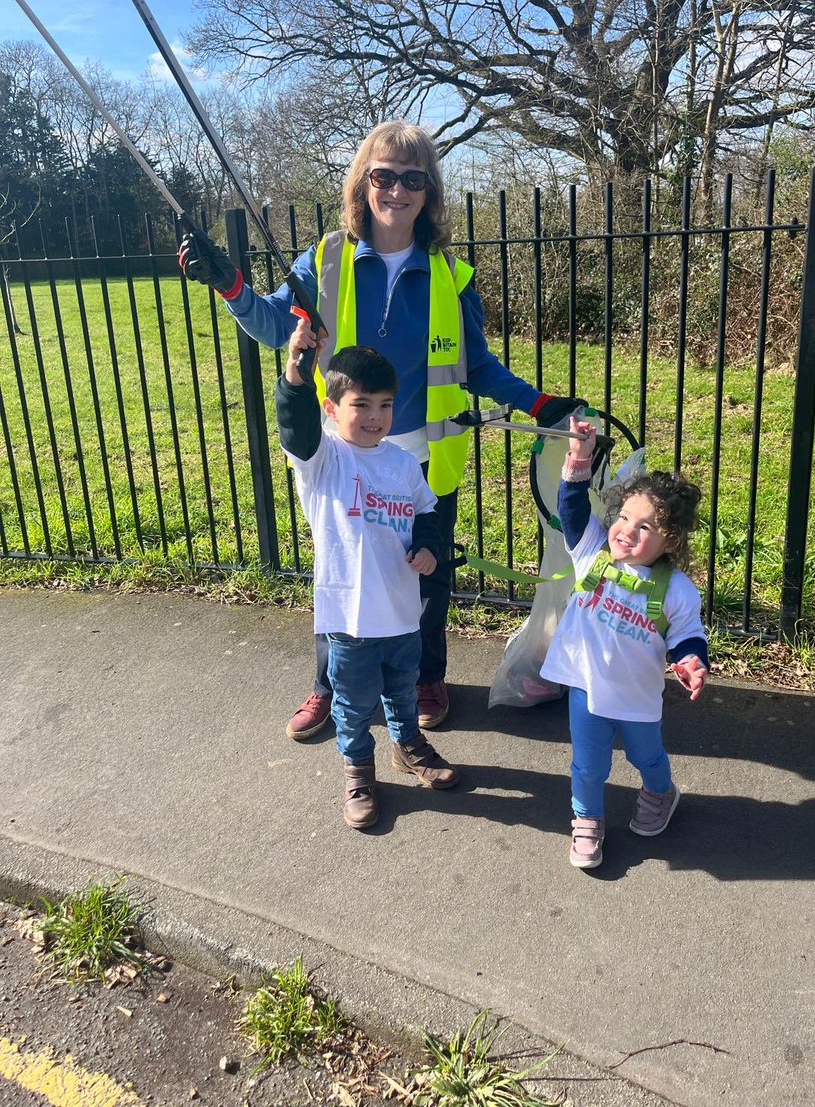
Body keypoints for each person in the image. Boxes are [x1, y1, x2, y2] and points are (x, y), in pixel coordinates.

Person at [179, 120, 585, 738]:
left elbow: (475, 365)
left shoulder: (453, 274)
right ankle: (331, 685)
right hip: (343, 458)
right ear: (364, 183)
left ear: (429, 192)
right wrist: (229, 284)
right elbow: (274, 326)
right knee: (341, 573)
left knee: (425, 572)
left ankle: (425, 676)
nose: (397, 190)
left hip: (424, 459)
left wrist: (540, 402)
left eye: (413, 179)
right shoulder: (325, 258)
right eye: (384, 176)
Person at [276, 338, 460, 828]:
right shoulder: (323, 460)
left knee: (402, 690)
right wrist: (297, 369)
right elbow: (293, 425)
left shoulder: (401, 460)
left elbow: (427, 510)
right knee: (354, 705)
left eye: (385, 405)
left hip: (401, 612)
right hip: (350, 617)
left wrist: (427, 546)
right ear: (332, 408)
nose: (375, 416)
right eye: (361, 405)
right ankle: (358, 768)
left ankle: (408, 747)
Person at [540, 419, 709, 869]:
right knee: (588, 764)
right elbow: (572, 509)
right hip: (586, 688)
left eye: (646, 527)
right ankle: (586, 820)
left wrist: (691, 660)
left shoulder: (676, 590)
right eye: (624, 517)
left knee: (645, 756)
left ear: (670, 540)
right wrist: (579, 457)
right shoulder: (591, 549)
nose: (627, 531)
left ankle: (661, 792)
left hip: (636, 697)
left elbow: (687, 635)